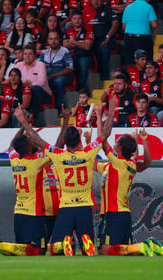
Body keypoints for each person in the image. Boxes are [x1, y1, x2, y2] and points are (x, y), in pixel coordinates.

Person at [14, 95, 118, 256]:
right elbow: (106, 133)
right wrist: (111, 110)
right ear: (78, 140)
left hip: (66, 208)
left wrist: (23, 121)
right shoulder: (88, 152)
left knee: (55, 250)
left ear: (66, 141)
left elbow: (37, 140)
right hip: (84, 207)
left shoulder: (60, 155)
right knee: (88, 252)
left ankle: (65, 243)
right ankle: (82, 243)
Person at [0, 113, 66, 256]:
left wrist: (22, 127)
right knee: (38, 251)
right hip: (34, 213)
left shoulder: (15, 159)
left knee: (23, 250)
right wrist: (27, 125)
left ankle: (0, 245)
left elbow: (12, 145)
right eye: (31, 142)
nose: (34, 142)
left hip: (19, 212)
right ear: (29, 149)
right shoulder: (35, 162)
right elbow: (56, 148)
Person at [94, 107, 163, 257]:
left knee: (108, 251)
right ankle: (142, 247)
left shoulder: (119, 162)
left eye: (116, 144)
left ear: (119, 148)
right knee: (107, 251)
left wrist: (100, 116)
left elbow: (102, 140)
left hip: (114, 213)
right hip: (122, 214)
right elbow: (146, 163)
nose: (113, 145)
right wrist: (143, 141)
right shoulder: (129, 164)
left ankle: (142, 246)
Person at [16, 45, 51, 126]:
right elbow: (15, 80)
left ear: (35, 55)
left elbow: (41, 81)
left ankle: (36, 117)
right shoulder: (18, 65)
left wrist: (28, 85)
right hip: (24, 93)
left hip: (42, 94)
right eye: (25, 54)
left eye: (30, 54)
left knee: (35, 89)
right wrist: (25, 85)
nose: (27, 56)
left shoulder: (40, 65)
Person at [39, 31, 73, 115]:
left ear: (59, 40)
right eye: (51, 39)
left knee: (58, 82)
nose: (53, 41)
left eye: (55, 39)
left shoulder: (65, 51)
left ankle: (60, 109)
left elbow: (69, 68)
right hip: (47, 76)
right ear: (48, 40)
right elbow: (38, 66)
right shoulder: (44, 53)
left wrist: (55, 75)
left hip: (61, 75)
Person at [63, 10, 94, 90]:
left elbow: (87, 46)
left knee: (83, 66)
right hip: (71, 56)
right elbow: (65, 45)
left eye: (79, 18)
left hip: (84, 56)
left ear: (82, 19)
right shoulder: (68, 31)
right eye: (74, 18)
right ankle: (71, 88)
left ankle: (81, 90)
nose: (77, 21)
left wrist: (73, 42)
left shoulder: (88, 30)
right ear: (71, 20)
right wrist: (80, 43)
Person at [90, 0, 119, 81]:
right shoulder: (86, 11)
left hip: (103, 39)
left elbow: (116, 22)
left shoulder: (108, 10)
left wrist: (108, 36)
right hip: (88, 40)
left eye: (98, 0)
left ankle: (104, 77)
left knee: (103, 49)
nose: (96, 2)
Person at [122, 0, 158, 65]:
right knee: (145, 62)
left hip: (128, 39)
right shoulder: (148, 7)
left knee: (130, 61)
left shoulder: (128, 7)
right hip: (143, 39)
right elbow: (154, 25)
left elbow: (124, 27)